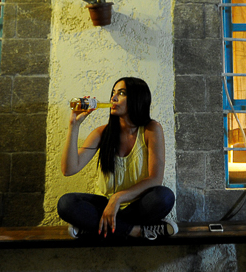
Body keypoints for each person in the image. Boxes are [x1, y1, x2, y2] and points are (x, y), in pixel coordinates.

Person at [58, 77, 178, 240]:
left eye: (121, 93)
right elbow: (69, 169)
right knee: (66, 204)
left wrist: (118, 197)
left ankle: (94, 228)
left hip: (137, 205)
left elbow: (155, 178)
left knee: (164, 197)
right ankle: (135, 231)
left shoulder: (151, 129)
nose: (113, 98)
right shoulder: (101, 133)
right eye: (113, 93)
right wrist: (74, 126)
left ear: (137, 98)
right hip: (105, 206)